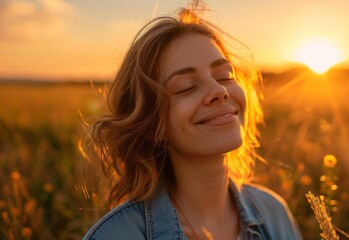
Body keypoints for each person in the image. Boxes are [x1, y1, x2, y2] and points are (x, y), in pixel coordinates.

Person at [82, 3, 302, 240]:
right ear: (151, 125)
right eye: (186, 87)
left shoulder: (273, 213)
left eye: (225, 75)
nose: (219, 90)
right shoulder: (116, 235)